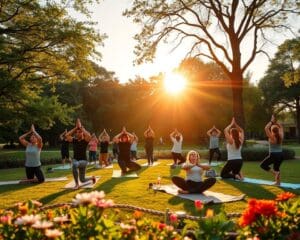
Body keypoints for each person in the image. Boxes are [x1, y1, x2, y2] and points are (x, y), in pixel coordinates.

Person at [65, 119, 95, 189]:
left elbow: (89, 136)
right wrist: (75, 128)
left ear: (82, 133)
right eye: (77, 132)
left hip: (84, 161)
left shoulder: (85, 141)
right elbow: (67, 135)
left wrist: (81, 128)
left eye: (80, 132)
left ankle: (79, 183)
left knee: (76, 167)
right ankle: (85, 181)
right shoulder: (74, 140)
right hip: (76, 160)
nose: (78, 133)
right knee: (82, 178)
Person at [260, 115, 284, 185]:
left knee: (263, 165)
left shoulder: (272, 137)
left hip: (274, 155)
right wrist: (276, 123)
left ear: (272, 131)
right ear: (278, 130)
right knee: (276, 167)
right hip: (281, 155)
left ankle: (275, 173)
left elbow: (266, 128)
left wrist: (271, 121)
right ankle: (278, 182)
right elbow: (281, 127)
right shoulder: (281, 136)